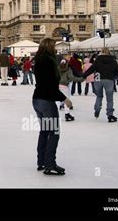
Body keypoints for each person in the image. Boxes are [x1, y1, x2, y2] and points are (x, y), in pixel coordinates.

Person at [32, 38, 73, 175]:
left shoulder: (38, 61)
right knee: (54, 132)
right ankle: (49, 163)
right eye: (54, 46)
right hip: (46, 101)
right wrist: (65, 99)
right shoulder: (49, 62)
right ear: (49, 47)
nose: (55, 48)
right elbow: (50, 87)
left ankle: (42, 161)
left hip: (37, 99)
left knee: (44, 131)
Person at [82, 48, 118, 122]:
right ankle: (110, 115)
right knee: (109, 98)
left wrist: (84, 75)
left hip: (98, 79)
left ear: (101, 52)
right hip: (109, 79)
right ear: (109, 52)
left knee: (99, 96)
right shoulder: (113, 60)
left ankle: (97, 110)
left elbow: (92, 69)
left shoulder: (98, 59)